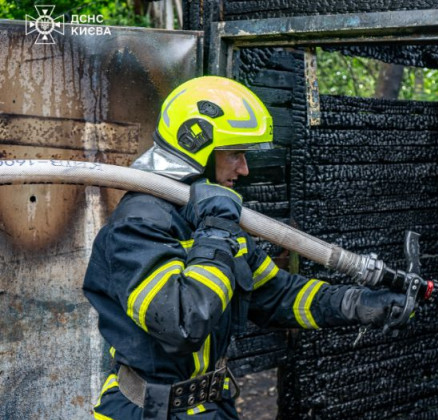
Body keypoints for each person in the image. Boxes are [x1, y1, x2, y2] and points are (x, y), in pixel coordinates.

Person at [83, 76, 408, 420]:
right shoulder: (140, 224)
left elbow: (277, 296)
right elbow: (183, 323)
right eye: (235, 154)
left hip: (211, 406)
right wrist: (217, 232)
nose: (244, 168)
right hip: (148, 411)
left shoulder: (209, 221)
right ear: (198, 148)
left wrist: (357, 304)